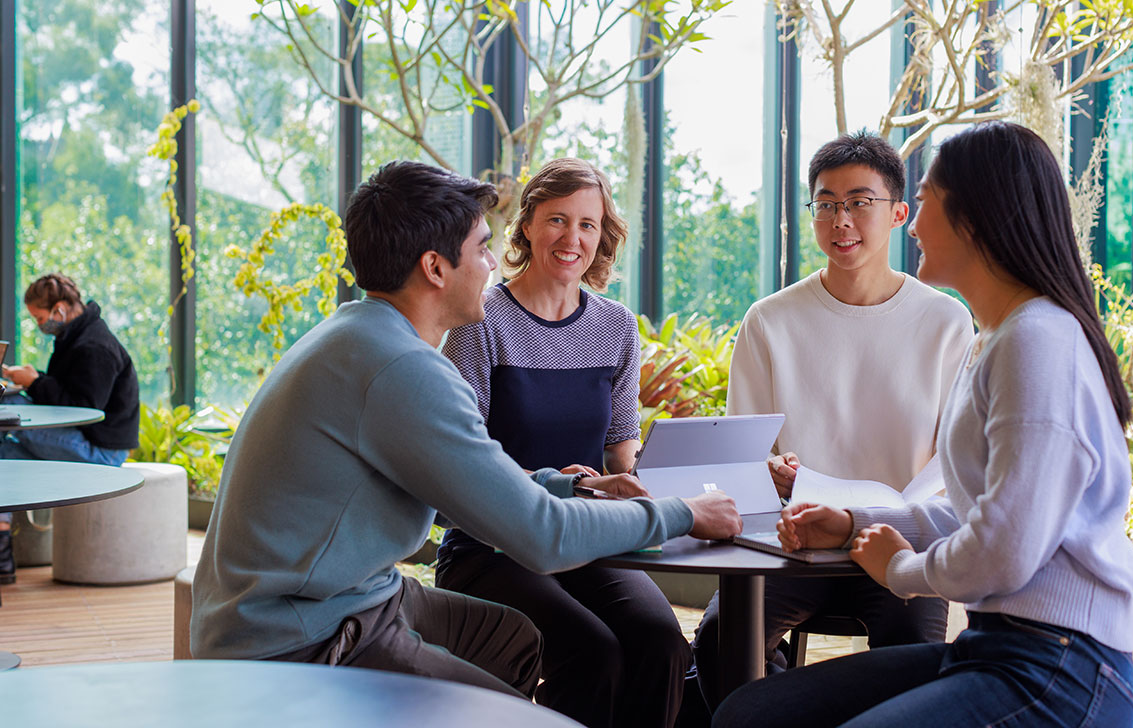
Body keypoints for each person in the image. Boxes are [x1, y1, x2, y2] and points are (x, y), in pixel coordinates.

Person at [189, 160, 742, 699]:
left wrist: (572, 485)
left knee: (519, 644)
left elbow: (465, 482)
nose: (494, 265)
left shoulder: (361, 335)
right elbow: (542, 537)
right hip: (303, 635)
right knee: (516, 707)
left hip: (355, 595)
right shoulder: (403, 371)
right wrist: (686, 513)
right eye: (482, 248)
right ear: (435, 268)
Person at [713, 121, 1133, 728]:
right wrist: (854, 522)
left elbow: (1004, 549)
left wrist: (900, 568)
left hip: (1061, 667)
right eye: (830, 205)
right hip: (996, 647)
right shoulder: (999, 338)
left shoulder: (1037, 341)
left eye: (923, 203)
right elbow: (980, 514)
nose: (913, 225)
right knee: (751, 713)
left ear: (977, 216)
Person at [690, 131, 974, 710]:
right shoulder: (770, 320)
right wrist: (767, 473)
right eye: (826, 204)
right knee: (719, 643)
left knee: (912, 671)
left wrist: (883, 522)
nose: (841, 219)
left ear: (898, 213)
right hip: (790, 543)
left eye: (859, 202)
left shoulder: (947, 321)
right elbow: (744, 451)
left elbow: (953, 462)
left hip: (900, 539)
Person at [436, 158, 689, 728]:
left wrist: (640, 485)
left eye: (588, 224)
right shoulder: (481, 320)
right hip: (492, 546)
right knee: (592, 651)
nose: (572, 238)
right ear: (526, 226)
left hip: (586, 539)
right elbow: (461, 466)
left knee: (664, 643)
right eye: (557, 219)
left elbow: (621, 455)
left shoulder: (617, 326)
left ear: (603, 236)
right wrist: (570, 486)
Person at [0, 273, 139, 585]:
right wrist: (34, 378)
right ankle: (3, 555)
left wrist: (34, 383)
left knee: (12, 410)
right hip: (82, 440)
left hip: (101, 451)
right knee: (4, 456)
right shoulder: (76, 336)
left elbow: (82, 408)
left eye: (39, 317)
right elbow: (69, 389)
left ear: (59, 309)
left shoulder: (95, 346)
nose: (38, 324)